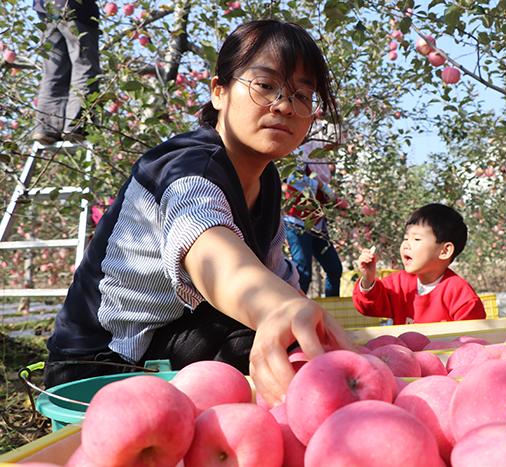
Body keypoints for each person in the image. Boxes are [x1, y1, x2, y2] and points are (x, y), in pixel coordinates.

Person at [44, 20, 351, 405]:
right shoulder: (187, 166)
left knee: (280, 343)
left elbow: (273, 276)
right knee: (249, 340)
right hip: (95, 367)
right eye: (266, 86)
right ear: (219, 91)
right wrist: (284, 309)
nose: (286, 105)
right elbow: (210, 250)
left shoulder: (266, 182)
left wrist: (319, 329)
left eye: (302, 94)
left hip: (166, 343)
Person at [353, 203, 486, 324]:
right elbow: (368, 307)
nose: (406, 244)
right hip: (403, 351)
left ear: (445, 251)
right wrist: (368, 279)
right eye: (406, 238)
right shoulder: (399, 284)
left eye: (416, 239)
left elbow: (472, 340)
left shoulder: (460, 295)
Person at [31, 0, 101, 145]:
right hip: (77, 10)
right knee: (85, 67)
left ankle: (46, 127)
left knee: (53, 73)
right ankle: (77, 126)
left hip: (46, 11)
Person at [283, 151, 346, 296]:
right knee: (303, 273)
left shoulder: (314, 168)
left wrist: (333, 199)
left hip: (317, 226)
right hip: (297, 223)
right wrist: (321, 186)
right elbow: (294, 180)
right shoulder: (297, 160)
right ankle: (295, 311)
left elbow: (329, 199)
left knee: (334, 268)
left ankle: (332, 308)